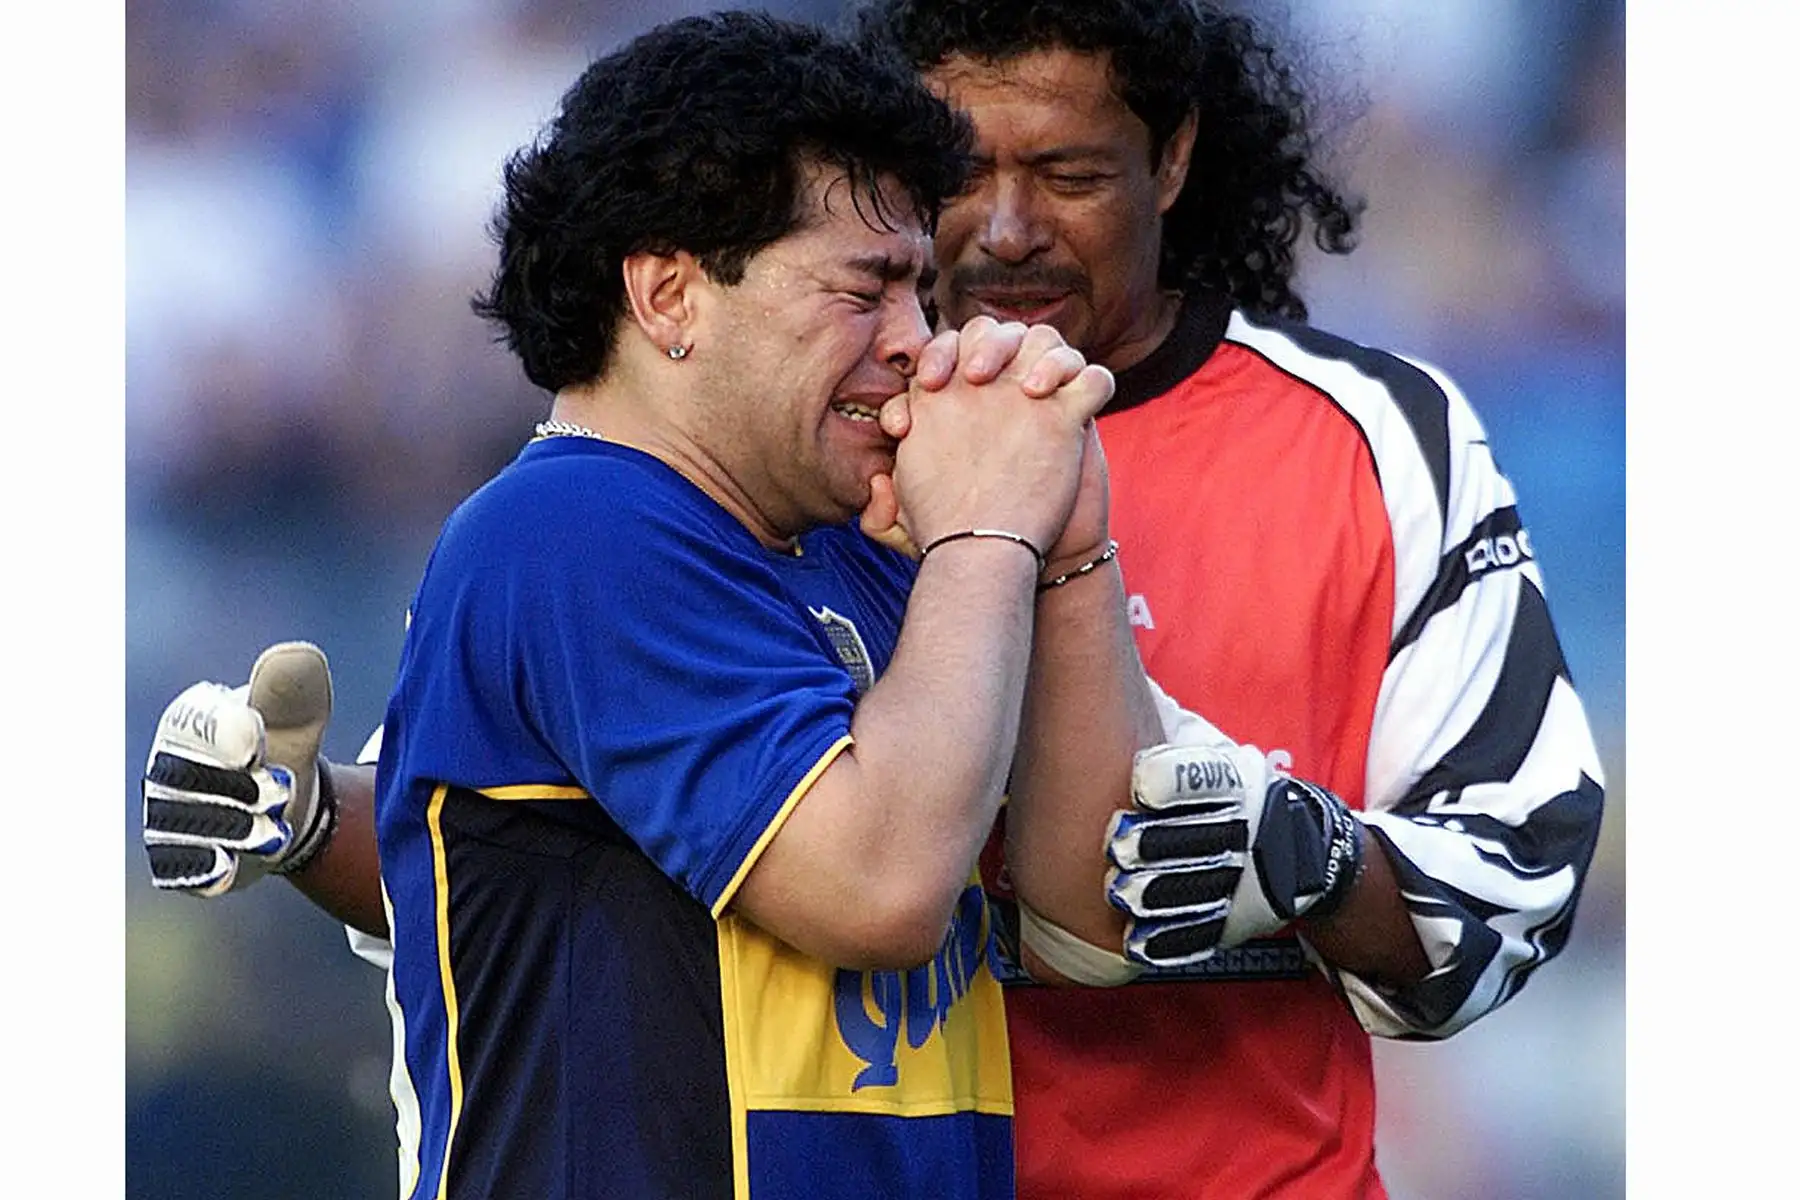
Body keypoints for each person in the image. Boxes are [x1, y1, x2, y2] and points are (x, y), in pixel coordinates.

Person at [142, 1, 1608, 1197]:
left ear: (1171, 160)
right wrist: (329, 825)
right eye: (927, 221)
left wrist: (1292, 833)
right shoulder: (651, 516)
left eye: (1074, 175)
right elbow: (783, 872)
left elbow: (1102, 906)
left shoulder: (1347, 442)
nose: (996, 250)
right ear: (673, 296)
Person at [147, 12, 1171, 1199]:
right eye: (868, 291)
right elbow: (881, 887)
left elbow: (1098, 921)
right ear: (670, 293)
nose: (921, 343)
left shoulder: (877, 551)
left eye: (922, 295)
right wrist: (991, 531)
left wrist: (1069, 545)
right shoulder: (576, 533)